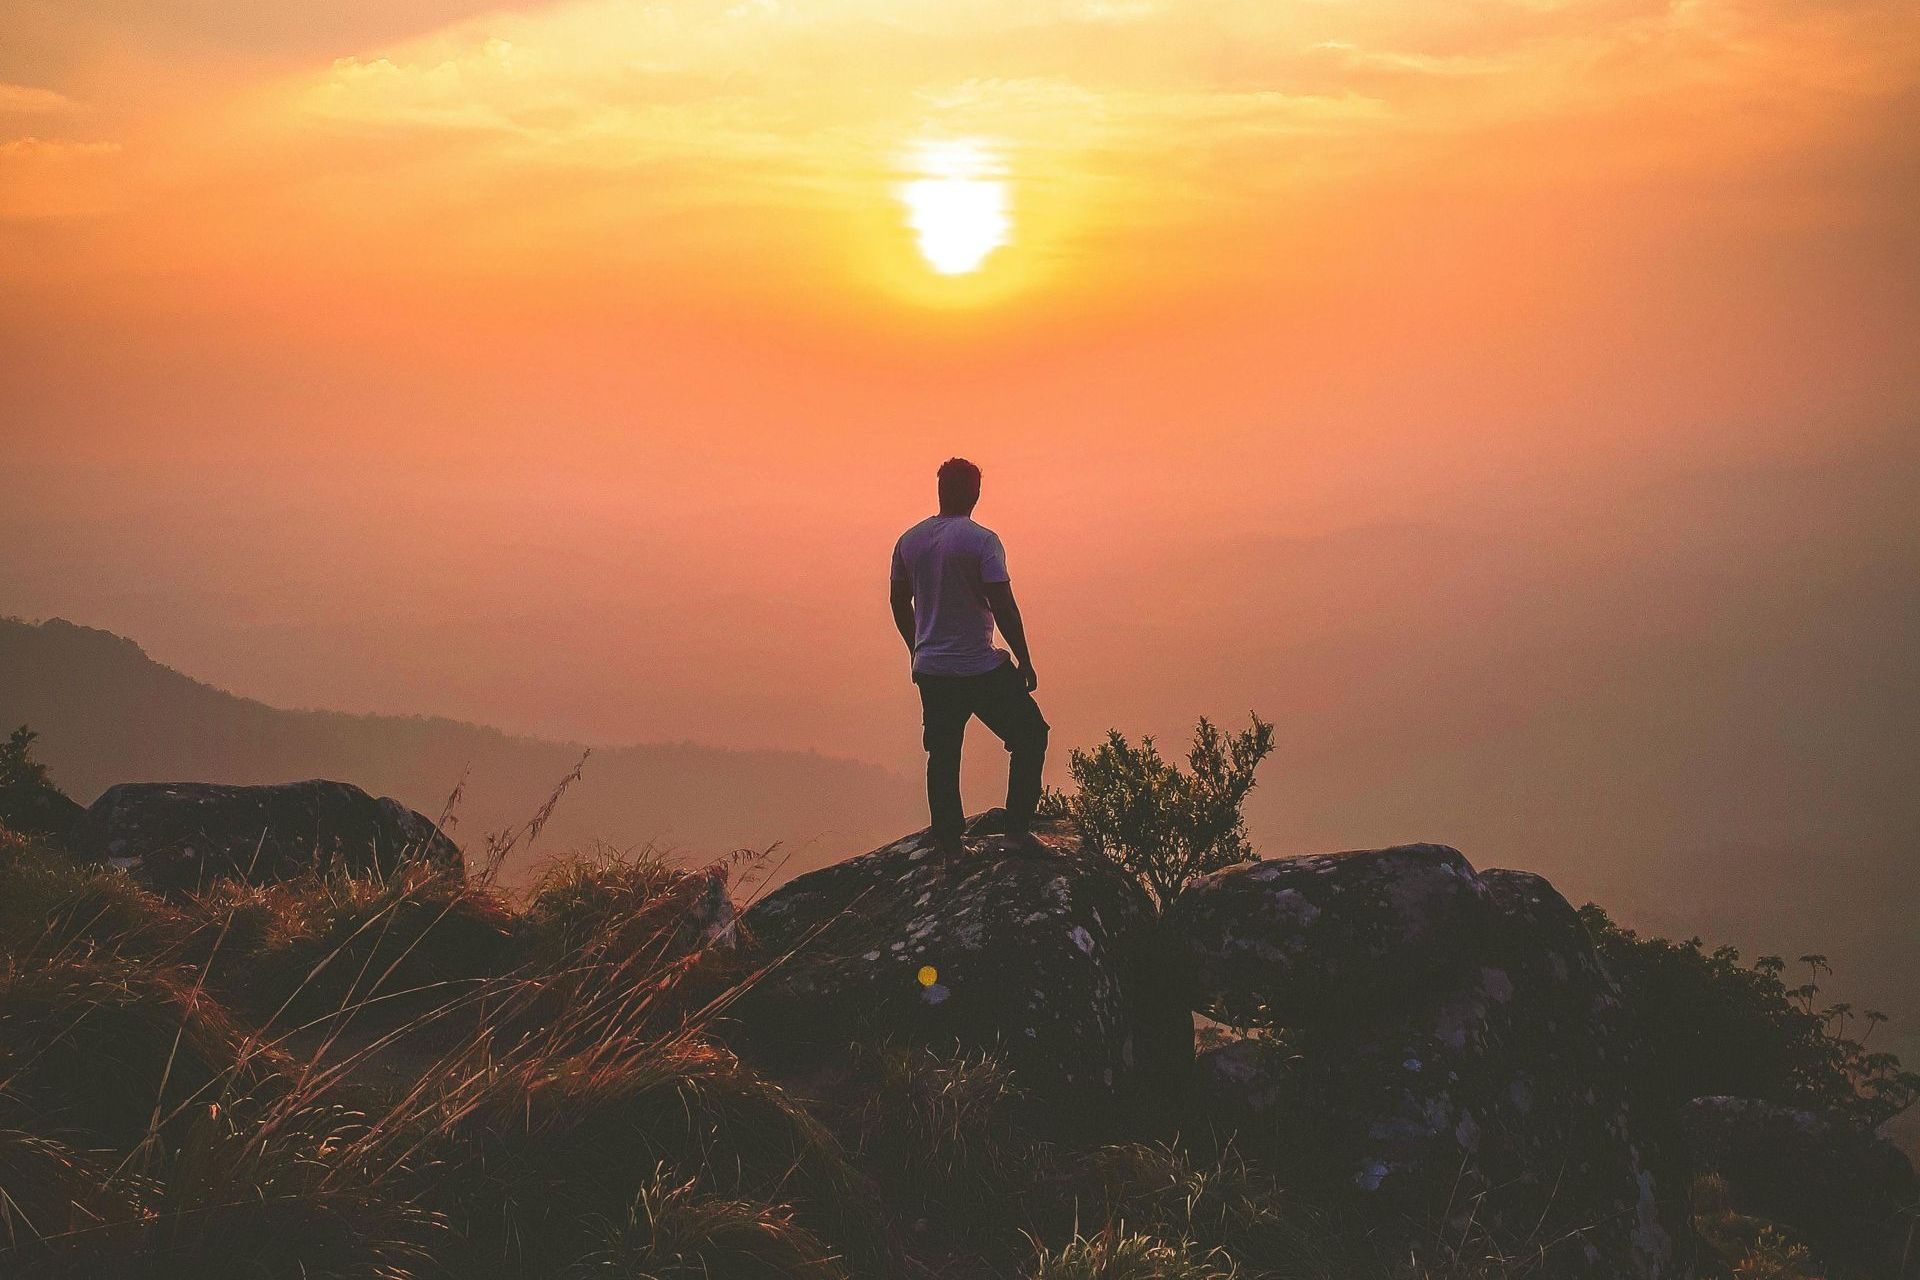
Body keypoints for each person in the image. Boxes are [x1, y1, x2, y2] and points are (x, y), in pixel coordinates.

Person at [889, 457, 1049, 862]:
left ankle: (951, 847)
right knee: (1031, 734)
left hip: (933, 670)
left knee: (943, 754)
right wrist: (1025, 659)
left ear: (940, 490)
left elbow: (897, 599)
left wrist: (917, 647)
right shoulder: (982, 541)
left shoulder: (909, 540)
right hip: (980, 665)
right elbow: (1003, 605)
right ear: (975, 494)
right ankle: (1016, 833)